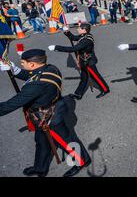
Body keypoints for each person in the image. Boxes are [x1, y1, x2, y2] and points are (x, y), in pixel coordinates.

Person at [0, 49, 91, 177]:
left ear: (32, 64)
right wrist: (14, 70)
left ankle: (82, 161)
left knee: (66, 141)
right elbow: (31, 75)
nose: (21, 64)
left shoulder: (36, 85)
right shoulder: (50, 68)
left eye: (22, 63)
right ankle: (40, 167)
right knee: (41, 142)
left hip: (50, 118)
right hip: (45, 113)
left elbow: (9, 105)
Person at [48, 23, 110, 100]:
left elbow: (73, 49)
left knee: (96, 77)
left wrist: (56, 47)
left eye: (79, 28)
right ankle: (78, 94)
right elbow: (73, 38)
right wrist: (67, 32)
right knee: (84, 78)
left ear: (84, 30)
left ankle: (105, 89)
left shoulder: (87, 40)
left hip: (88, 62)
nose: (78, 29)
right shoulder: (84, 36)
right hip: (83, 61)